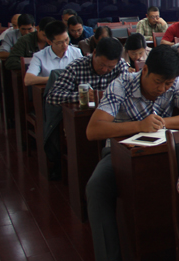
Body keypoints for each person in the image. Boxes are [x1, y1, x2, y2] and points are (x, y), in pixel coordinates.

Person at [85, 45, 179, 261]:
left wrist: (161, 123)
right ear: (145, 69)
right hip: (119, 153)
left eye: (168, 84)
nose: (162, 89)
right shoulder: (121, 85)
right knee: (96, 187)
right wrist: (139, 125)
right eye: (158, 82)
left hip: (160, 152)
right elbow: (93, 130)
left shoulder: (175, 82)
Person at [44, 37, 127, 179]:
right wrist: (81, 96)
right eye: (102, 64)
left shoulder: (121, 66)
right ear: (94, 53)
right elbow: (52, 97)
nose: (105, 70)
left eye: (110, 67)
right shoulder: (76, 67)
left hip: (111, 119)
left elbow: (129, 92)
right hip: (83, 123)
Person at [24, 20, 82, 86]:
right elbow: (28, 80)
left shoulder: (76, 52)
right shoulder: (39, 56)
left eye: (66, 40)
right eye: (59, 42)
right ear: (49, 42)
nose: (65, 45)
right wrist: (54, 79)